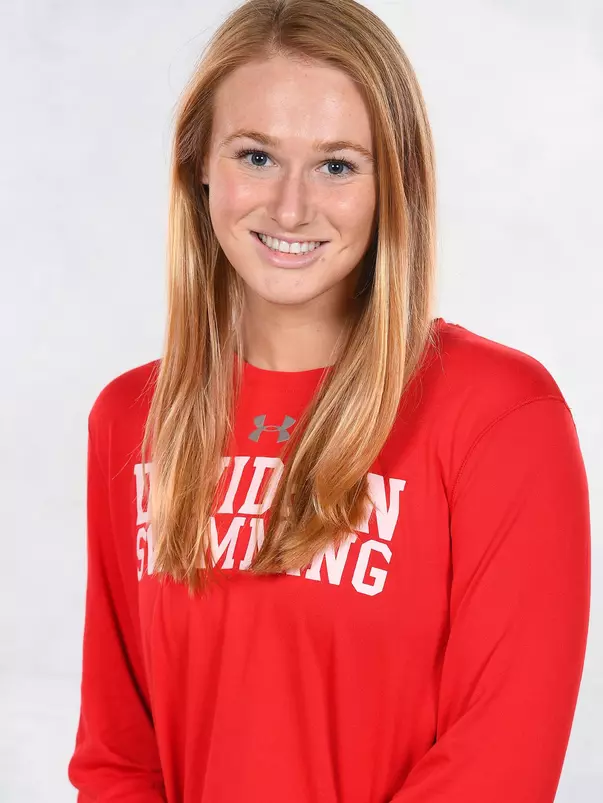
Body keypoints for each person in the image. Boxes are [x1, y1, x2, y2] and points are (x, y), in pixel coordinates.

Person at [67, 1, 591, 801]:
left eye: (338, 165)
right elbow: (118, 758)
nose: (289, 207)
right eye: (256, 156)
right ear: (198, 164)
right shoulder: (131, 420)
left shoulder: (497, 416)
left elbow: (498, 763)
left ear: (394, 183)